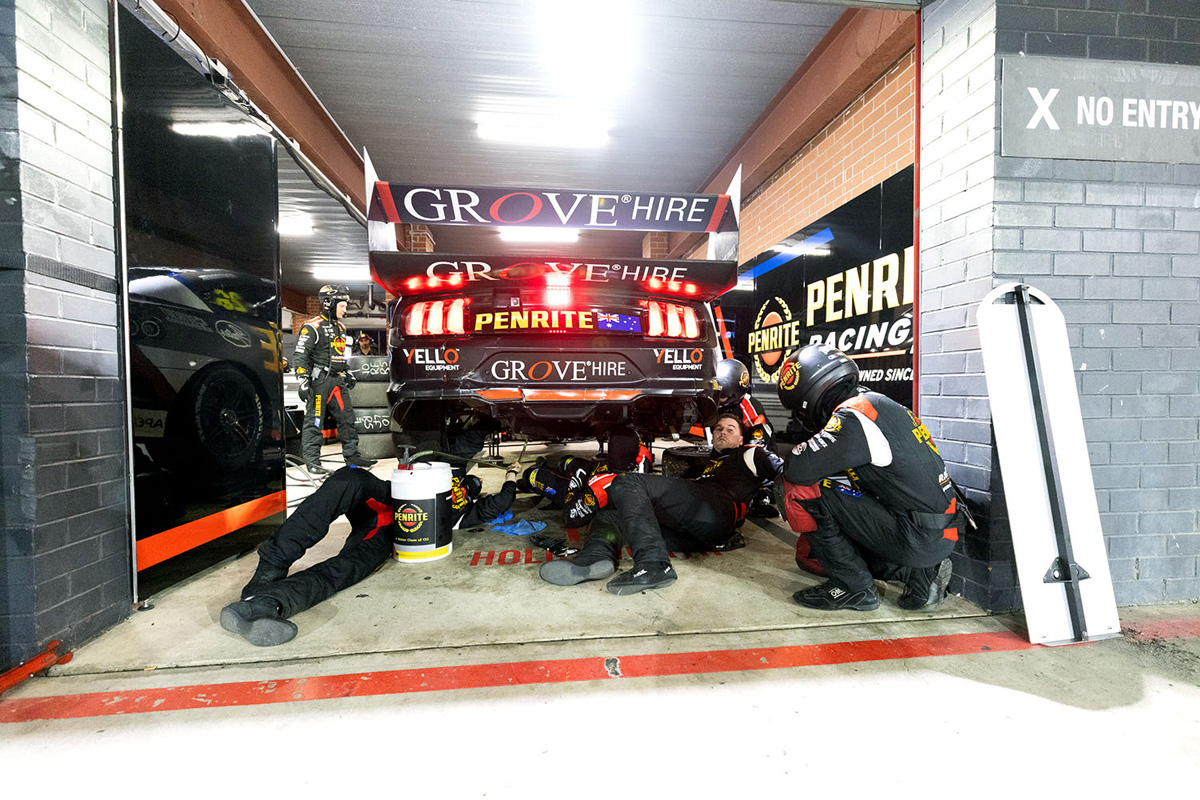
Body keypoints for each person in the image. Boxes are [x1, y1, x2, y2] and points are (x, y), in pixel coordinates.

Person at [221, 461, 522, 646]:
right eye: (469, 483)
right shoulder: (444, 474)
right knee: (348, 479)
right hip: (385, 497)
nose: (469, 487)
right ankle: (268, 571)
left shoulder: (465, 512)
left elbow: (501, 502)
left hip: (390, 533)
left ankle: (266, 604)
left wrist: (511, 474)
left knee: (347, 567)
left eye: (473, 487)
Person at [776, 343, 969, 612]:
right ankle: (918, 574)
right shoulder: (878, 405)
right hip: (937, 533)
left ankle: (853, 587)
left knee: (796, 489)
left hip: (915, 536)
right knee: (810, 554)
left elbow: (797, 468)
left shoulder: (854, 416)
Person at [540, 413, 782, 595]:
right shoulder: (711, 463)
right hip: (699, 532)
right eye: (718, 428)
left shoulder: (750, 454)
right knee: (610, 514)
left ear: (740, 439)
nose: (722, 432)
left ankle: (654, 565)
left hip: (718, 510)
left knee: (627, 482)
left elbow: (785, 473)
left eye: (730, 429)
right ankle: (595, 558)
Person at [294, 285, 374, 473]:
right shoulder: (312, 326)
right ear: (329, 303)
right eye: (342, 306)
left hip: (337, 381)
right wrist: (303, 380)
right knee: (315, 422)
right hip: (320, 381)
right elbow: (300, 355)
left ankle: (352, 457)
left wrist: (347, 371)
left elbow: (340, 354)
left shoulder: (341, 327)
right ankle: (313, 463)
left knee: (348, 419)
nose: (345, 310)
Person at [716, 358, 778, 517]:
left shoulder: (751, 411)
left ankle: (764, 492)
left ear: (734, 394)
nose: (717, 398)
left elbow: (759, 453)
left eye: (721, 395)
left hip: (753, 453)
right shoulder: (717, 402)